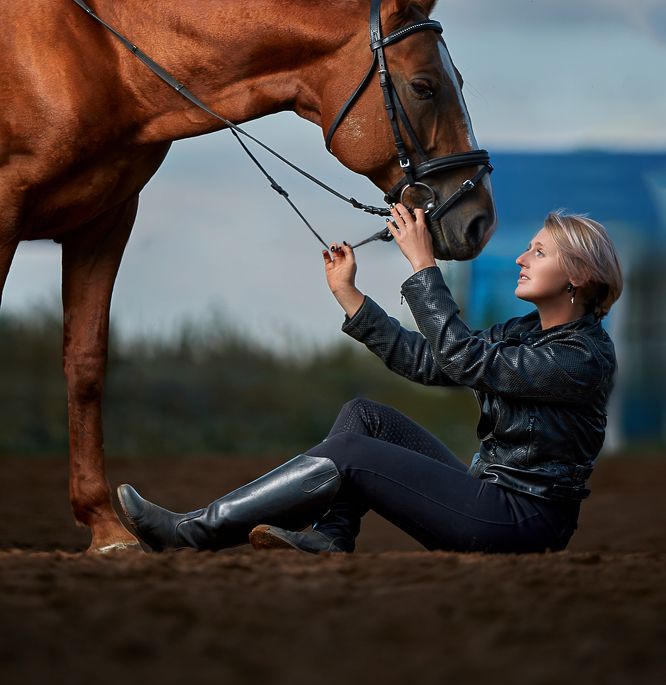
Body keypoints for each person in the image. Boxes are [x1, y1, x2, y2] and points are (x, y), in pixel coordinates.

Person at [117, 205, 623, 555]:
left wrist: (423, 265)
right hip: (491, 498)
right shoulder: (523, 333)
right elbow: (431, 361)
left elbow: (464, 357)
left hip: (521, 523)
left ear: (578, 275)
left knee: (354, 453)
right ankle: (331, 536)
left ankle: (189, 532)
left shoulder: (581, 357)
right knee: (364, 418)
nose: (521, 258)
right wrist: (351, 297)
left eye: (539, 252)